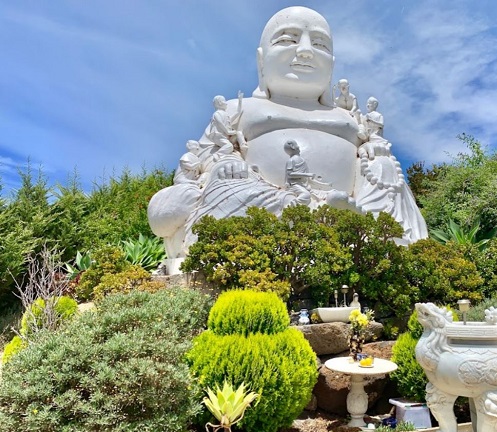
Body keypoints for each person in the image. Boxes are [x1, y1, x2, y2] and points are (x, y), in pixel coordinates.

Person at [148, 6, 428, 263]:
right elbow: (206, 156)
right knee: (228, 188)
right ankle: (319, 221)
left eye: (319, 44)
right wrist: (224, 163)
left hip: (347, 201)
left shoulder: (347, 117)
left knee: (385, 167)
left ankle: (372, 234)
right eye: (288, 40)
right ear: (261, 61)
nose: (306, 51)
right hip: (263, 199)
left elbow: (371, 142)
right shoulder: (242, 109)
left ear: (331, 64)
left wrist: (373, 150)